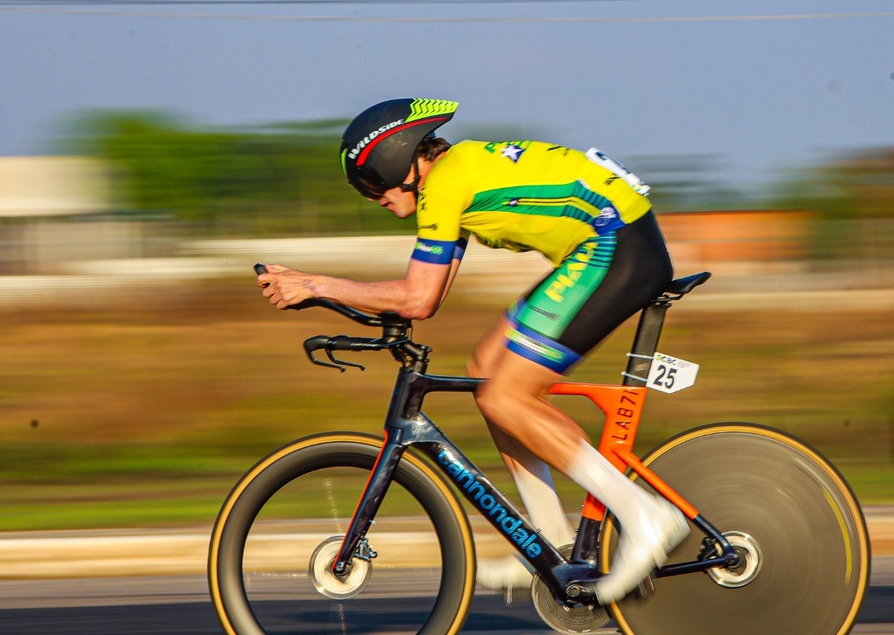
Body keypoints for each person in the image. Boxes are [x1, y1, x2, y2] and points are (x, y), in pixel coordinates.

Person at [257, 97, 687, 603]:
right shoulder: (453, 179)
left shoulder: (443, 186)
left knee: (508, 396)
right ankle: (549, 544)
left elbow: (417, 299)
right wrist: (330, 293)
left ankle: (644, 515)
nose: (372, 198)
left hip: (615, 248)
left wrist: (315, 285)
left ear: (398, 161)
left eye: (371, 183)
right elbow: (429, 296)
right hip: (605, 244)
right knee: (486, 373)